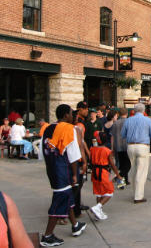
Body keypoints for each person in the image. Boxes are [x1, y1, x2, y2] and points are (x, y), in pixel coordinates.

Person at [39, 104, 87, 246]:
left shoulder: (48, 128)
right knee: (60, 200)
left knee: (68, 197)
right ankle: (47, 236)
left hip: (51, 168)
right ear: (66, 115)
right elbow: (73, 154)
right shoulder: (68, 129)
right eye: (72, 114)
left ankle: (75, 225)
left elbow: (41, 153)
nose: (73, 116)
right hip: (63, 169)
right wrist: (74, 174)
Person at [121, 103, 151, 204]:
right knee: (141, 172)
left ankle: (136, 192)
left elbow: (123, 135)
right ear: (144, 111)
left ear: (134, 110)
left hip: (131, 146)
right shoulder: (148, 120)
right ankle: (138, 196)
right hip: (143, 146)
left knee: (134, 170)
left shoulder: (128, 120)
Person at [89, 131, 123, 220]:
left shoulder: (92, 149)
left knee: (99, 193)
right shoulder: (108, 151)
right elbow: (112, 165)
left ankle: (98, 212)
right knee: (109, 192)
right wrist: (118, 175)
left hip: (94, 172)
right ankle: (98, 207)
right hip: (103, 172)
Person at [112, 108, 130, 185]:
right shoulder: (129, 122)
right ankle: (120, 177)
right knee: (128, 164)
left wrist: (113, 147)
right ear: (127, 113)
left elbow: (112, 135)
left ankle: (123, 182)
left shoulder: (116, 123)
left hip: (118, 145)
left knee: (122, 164)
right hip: (127, 145)